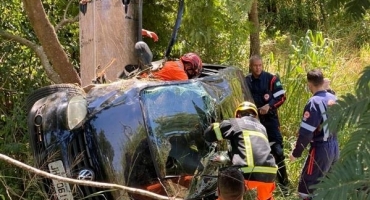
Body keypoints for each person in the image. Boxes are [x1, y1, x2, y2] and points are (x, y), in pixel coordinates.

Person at [204, 101, 277, 200]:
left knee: (226, 190)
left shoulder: (235, 122)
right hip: (270, 173)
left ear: (238, 114)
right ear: (255, 115)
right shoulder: (262, 127)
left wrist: (214, 124)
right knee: (266, 198)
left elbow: (209, 135)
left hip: (245, 172)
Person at [289, 69, 339, 200]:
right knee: (327, 187)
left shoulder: (314, 102)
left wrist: (296, 153)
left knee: (306, 188)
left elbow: (306, 134)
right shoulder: (333, 97)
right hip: (335, 147)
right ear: (322, 82)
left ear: (309, 84)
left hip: (321, 149)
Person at [245, 55, 289, 192]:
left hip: (270, 121)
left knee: (278, 151)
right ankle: (258, 185)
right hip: (253, 122)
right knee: (255, 152)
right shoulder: (246, 81)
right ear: (250, 66)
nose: (258, 68)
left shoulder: (272, 79)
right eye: (255, 66)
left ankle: (284, 185)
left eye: (260, 65)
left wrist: (269, 106)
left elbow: (282, 97)